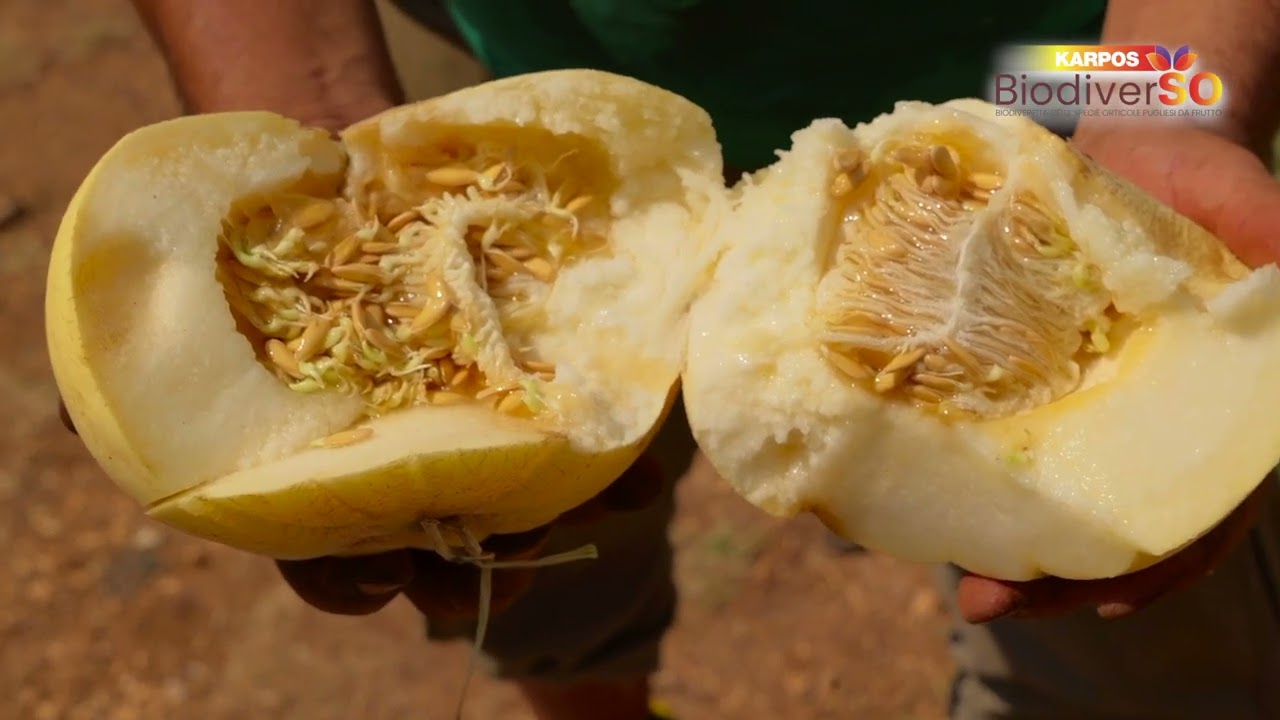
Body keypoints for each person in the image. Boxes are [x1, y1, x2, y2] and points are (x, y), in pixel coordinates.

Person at [65, 2, 1280, 718]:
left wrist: (1179, 105)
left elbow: (1163, 83)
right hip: (500, 69)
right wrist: (310, 104)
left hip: (1041, 62)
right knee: (529, 567)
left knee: (1138, 664)